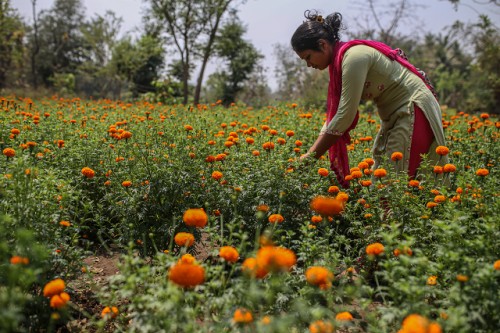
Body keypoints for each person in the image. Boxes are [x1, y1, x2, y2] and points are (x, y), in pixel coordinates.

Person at [291, 10, 448, 188]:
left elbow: (345, 116)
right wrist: (309, 153)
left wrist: (310, 157)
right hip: (394, 116)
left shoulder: (353, 58)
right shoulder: (340, 64)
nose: (308, 64)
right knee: (384, 185)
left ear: (322, 45)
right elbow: (335, 117)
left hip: (413, 109)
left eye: (308, 57)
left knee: (392, 184)